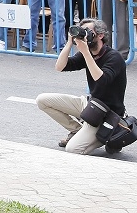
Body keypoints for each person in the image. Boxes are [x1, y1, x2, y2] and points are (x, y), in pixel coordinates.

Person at [36, 18, 128, 155]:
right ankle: (77, 130)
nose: (84, 35)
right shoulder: (87, 53)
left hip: (107, 114)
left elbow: (101, 80)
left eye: (87, 31)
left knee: (73, 149)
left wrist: (85, 52)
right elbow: (60, 67)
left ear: (100, 35)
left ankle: (106, 135)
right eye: (82, 31)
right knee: (42, 100)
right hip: (90, 104)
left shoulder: (114, 57)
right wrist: (69, 43)